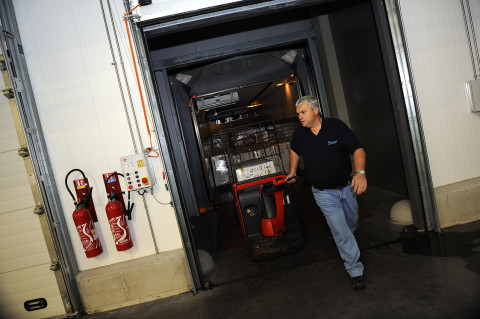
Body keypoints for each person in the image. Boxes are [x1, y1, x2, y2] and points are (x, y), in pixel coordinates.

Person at [285, 95, 367, 290]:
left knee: (350, 223)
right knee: (340, 230)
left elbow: (357, 149)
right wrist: (292, 171)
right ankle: (355, 269)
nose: (300, 117)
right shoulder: (299, 134)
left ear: (315, 110)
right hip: (323, 193)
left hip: (348, 188)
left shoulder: (336, 127)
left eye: (303, 112)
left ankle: (348, 244)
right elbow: (294, 150)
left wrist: (360, 172)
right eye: (298, 114)